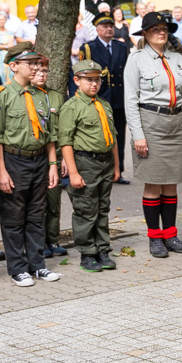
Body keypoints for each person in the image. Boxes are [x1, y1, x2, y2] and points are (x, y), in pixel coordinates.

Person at [125, 12, 182, 258]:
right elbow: (130, 101)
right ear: (144, 33)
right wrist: (138, 135)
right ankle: (154, 237)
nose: (161, 31)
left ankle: (171, 234)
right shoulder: (135, 60)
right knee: (153, 182)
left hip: (175, 123)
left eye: (164, 28)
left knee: (171, 182)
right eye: (155, 28)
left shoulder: (178, 59)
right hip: (150, 124)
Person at [0, 43, 61, 287]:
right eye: (30, 64)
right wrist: (1, 171)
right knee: (13, 217)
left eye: (37, 63)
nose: (35, 68)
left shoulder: (40, 95)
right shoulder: (2, 95)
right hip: (13, 160)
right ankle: (17, 268)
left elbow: (49, 135)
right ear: (14, 66)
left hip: (40, 160)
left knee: (36, 215)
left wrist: (53, 165)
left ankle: (37, 265)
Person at [59, 60, 120, 273]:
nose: (94, 84)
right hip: (85, 163)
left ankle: (103, 249)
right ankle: (87, 252)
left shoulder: (103, 104)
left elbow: (112, 137)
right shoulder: (71, 107)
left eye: (97, 79)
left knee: (103, 208)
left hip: (105, 162)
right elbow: (65, 141)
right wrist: (73, 172)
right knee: (86, 209)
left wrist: (116, 167)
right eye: (89, 80)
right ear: (76, 80)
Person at [77, 12, 130, 185]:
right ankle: (101, 172)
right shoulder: (88, 48)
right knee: (99, 136)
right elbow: (82, 74)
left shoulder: (122, 47)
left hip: (119, 99)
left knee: (119, 136)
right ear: (97, 29)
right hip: (99, 98)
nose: (109, 29)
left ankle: (118, 171)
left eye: (110, 26)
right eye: (105, 26)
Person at [31, 58, 69, 259]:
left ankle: (53, 239)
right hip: (35, 156)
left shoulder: (56, 97)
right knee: (38, 203)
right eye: (37, 71)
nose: (41, 74)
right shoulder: (25, 94)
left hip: (56, 154)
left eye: (45, 71)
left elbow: (63, 128)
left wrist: (63, 156)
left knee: (53, 200)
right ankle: (39, 241)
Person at [0, 12, 16, 83]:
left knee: (7, 74)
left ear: (6, 20)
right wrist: (6, 46)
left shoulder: (10, 32)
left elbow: (11, 45)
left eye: (3, 19)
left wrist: (0, 45)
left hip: (7, 56)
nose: (1, 21)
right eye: (0, 19)